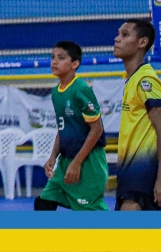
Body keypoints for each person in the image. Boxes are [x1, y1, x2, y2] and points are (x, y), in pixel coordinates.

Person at [34, 40, 108, 211]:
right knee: (43, 202)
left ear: (75, 64)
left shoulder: (80, 88)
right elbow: (62, 128)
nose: (54, 62)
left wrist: (77, 162)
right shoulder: (56, 92)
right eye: (53, 57)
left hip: (88, 161)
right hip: (66, 161)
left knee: (89, 210)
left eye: (61, 58)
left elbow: (97, 129)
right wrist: (53, 157)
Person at [113, 19, 161, 210]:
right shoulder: (132, 79)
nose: (117, 39)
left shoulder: (145, 80)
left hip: (141, 176)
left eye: (125, 35)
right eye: (118, 34)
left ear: (142, 42)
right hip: (129, 173)